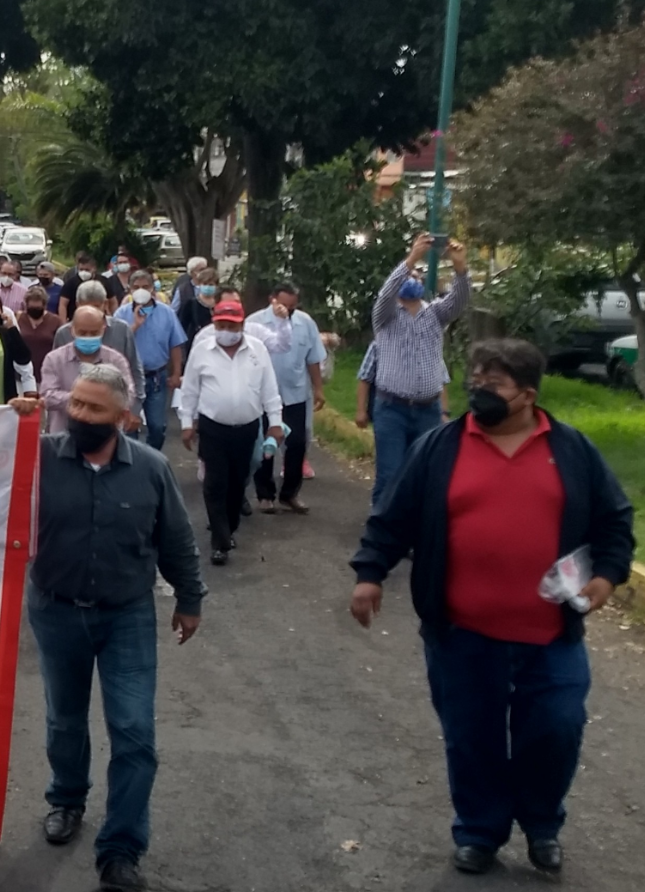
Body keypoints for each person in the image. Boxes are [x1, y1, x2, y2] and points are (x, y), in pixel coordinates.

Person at [350, 339, 635, 877]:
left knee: (556, 728)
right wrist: (370, 575)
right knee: (471, 736)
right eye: (474, 381)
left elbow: (614, 521)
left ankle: (542, 825)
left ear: (526, 395)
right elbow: (394, 517)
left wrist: (606, 577)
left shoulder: (572, 451)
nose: (477, 392)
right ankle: (479, 830)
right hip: (462, 632)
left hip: (550, 633)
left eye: (492, 385)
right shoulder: (440, 448)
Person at [23, 363, 204, 892]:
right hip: (56, 610)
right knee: (64, 720)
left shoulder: (149, 469)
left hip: (126, 615)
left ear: (123, 418)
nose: (78, 415)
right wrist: (8, 422)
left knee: (134, 733)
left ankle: (121, 851)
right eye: (75, 404)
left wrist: (190, 599)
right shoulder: (38, 458)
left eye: (92, 408)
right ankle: (66, 799)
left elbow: (176, 538)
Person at [178, 299, 284, 566]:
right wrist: (187, 424)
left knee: (237, 483)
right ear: (214, 325)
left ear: (242, 325)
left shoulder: (257, 350)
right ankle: (220, 540)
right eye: (221, 325)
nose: (226, 330)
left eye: (232, 325)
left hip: (247, 428)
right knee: (215, 482)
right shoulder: (202, 351)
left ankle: (229, 527)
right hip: (213, 427)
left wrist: (275, 423)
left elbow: (270, 390)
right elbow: (189, 390)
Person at [370, 232, 471, 506]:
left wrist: (460, 267)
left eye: (416, 275)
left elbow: (460, 300)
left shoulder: (436, 314)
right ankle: (382, 532)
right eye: (409, 275)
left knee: (424, 473)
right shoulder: (385, 316)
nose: (412, 278)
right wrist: (412, 257)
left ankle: (416, 534)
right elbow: (386, 293)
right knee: (390, 473)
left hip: (428, 409)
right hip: (392, 409)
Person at [247, 283, 325, 514]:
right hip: (262, 396)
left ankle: (290, 493)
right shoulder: (255, 322)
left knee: (298, 444)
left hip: (295, 393)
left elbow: (313, 358)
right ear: (272, 299)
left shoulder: (305, 323)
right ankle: (265, 494)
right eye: (283, 305)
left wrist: (318, 388)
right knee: (264, 446)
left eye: (292, 306)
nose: (288, 310)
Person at [52, 280, 146, 428]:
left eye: (96, 306)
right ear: (77, 305)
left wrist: (134, 409)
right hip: (71, 417)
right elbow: (54, 376)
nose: (91, 312)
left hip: (112, 416)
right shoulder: (63, 333)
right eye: (85, 306)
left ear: (105, 304)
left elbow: (135, 368)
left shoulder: (121, 330)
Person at [114, 270, 187, 452]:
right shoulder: (121, 314)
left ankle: (150, 456)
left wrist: (176, 373)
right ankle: (132, 461)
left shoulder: (166, 313)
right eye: (136, 287)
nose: (141, 291)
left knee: (157, 426)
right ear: (129, 290)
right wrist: (135, 326)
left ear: (152, 289)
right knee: (128, 426)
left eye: (145, 287)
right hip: (128, 379)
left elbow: (175, 344)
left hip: (156, 376)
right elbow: (115, 344)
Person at [40, 307, 137, 434]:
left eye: (94, 333)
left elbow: (128, 395)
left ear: (103, 330)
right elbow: (47, 396)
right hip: (63, 435)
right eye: (83, 333)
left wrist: (79, 401)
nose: (88, 337)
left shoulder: (116, 359)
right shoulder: (54, 359)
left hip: (105, 436)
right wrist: (93, 401)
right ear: (72, 330)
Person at [17, 284, 65, 382]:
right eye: (31, 307)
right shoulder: (18, 319)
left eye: (38, 307)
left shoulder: (55, 321)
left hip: (47, 373)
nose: (34, 310)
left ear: (44, 305)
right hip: (21, 373)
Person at [176, 267, 218, 362]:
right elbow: (182, 326)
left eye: (210, 284)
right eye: (204, 284)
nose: (207, 287)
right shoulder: (191, 304)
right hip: (195, 345)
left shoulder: (220, 303)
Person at [57, 252, 99, 320]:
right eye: (81, 269)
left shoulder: (102, 281)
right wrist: (63, 323)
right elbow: (62, 304)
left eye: (87, 270)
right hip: (74, 319)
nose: (84, 272)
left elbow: (112, 301)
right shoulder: (70, 283)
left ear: (94, 268)